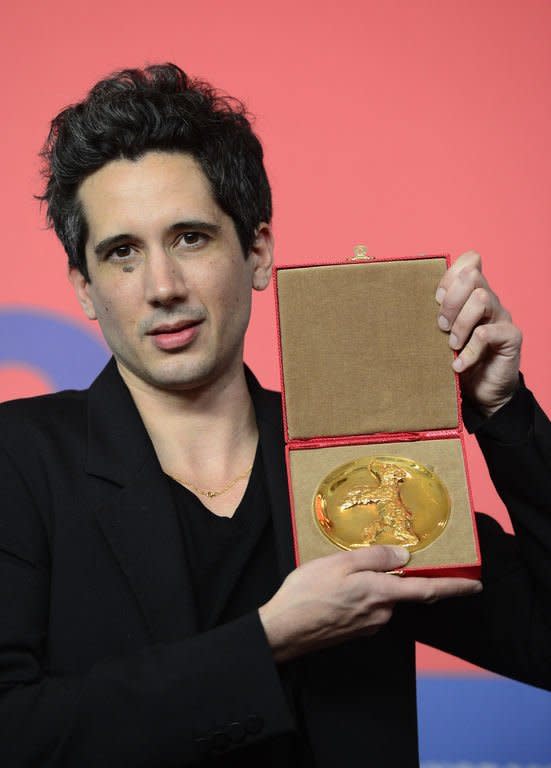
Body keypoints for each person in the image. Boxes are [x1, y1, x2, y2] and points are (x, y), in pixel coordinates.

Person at [0, 63, 549, 767]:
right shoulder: (20, 462)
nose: (163, 287)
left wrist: (503, 412)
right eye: (122, 253)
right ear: (84, 286)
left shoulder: (354, 463)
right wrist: (265, 642)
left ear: (257, 252)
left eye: (190, 238)